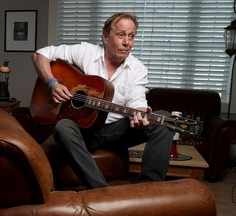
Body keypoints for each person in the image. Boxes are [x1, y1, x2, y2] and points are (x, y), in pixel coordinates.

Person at [31, 12, 174, 189]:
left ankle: (147, 190)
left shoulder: (138, 69)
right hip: (85, 130)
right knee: (62, 127)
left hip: (117, 132)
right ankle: (101, 191)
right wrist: (52, 83)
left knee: (164, 120)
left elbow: (137, 99)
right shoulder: (85, 52)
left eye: (131, 36)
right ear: (105, 37)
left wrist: (141, 115)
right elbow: (40, 55)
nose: (127, 42)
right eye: (121, 35)